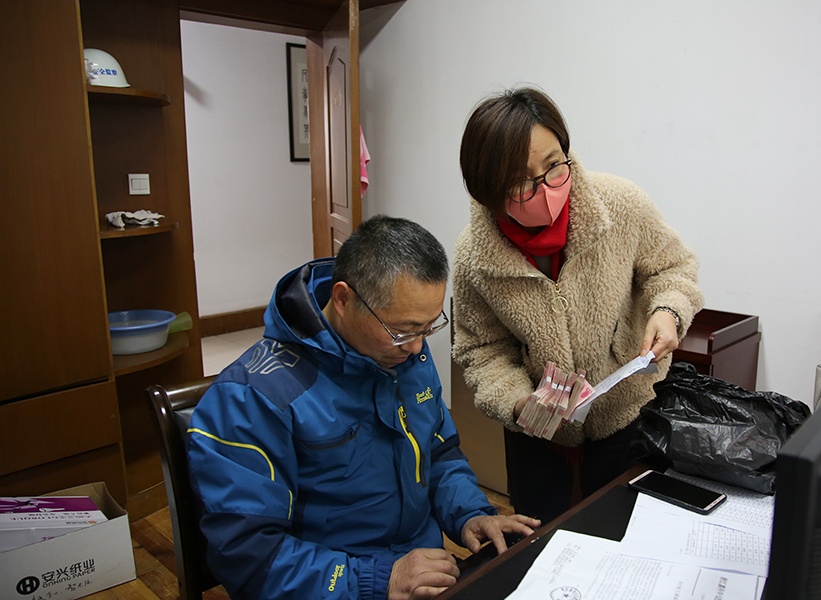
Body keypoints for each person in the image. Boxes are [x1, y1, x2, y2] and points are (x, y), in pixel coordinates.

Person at [187, 215, 539, 600]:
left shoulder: (404, 357)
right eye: (402, 330)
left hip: (422, 572)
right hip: (336, 586)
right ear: (342, 299)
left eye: (427, 328)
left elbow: (438, 454)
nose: (417, 347)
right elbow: (249, 555)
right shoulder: (252, 397)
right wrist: (377, 579)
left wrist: (470, 513)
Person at [452, 87, 704, 524]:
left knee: (620, 530)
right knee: (543, 540)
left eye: (554, 165)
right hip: (537, 435)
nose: (546, 189)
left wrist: (668, 311)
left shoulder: (620, 205)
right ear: (488, 190)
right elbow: (481, 350)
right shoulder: (475, 257)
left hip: (625, 415)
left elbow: (672, 267)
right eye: (521, 181)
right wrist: (518, 402)